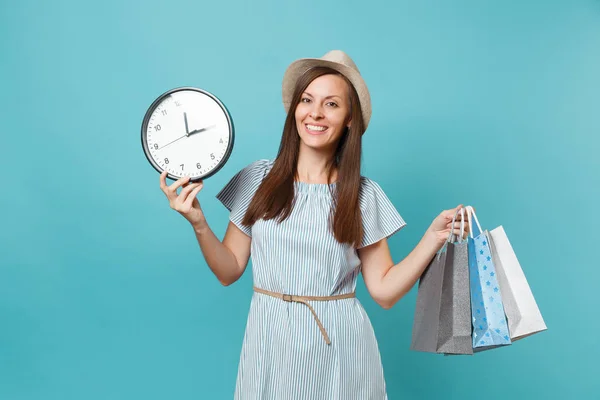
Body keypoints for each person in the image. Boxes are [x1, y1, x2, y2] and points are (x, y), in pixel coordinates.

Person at [159, 50, 469, 399]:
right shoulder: (257, 178)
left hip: (341, 346)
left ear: (350, 118)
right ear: (294, 109)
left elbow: (383, 292)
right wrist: (198, 222)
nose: (315, 113)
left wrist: (433, 238)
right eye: (307, 100)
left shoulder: (362, 195)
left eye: (332, 104)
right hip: (270, 344)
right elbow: (229, 270)